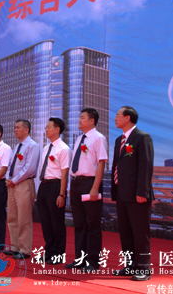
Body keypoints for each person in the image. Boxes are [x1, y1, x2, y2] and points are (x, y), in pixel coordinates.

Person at [111, 106, 154, 281]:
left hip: (137, 195)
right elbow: (117, 166)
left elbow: (146, 166)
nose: (115, 118)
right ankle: (130, 265)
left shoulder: (142, 138)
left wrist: (142, 191)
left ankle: (143, 267)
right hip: (122, 193)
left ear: (127, 118)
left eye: (117, 115)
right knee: (126, 231)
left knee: (140, 231)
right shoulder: (119, 140)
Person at [66, 108, 108, 272]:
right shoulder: (79, 139)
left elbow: (101, 164)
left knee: (92, 225)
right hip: (76, 184)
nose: (79, 120)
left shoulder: (98, 138)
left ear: (92, 120)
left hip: (90, 183)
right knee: (79, 224)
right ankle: (80, 259)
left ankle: (93, 262)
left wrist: (95, 187)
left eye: (82, 118)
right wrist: (71, 187)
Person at [37, 117, 72, 265]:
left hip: (55, 186)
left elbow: (65, 173)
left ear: (57, 130)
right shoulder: (46, 148)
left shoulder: (64, 149)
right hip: (43, 186)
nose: (46, 130)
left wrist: (62, 194)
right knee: (45, 222)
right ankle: (49, 251)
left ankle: (58, 254)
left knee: (56, 222)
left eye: (48, 127)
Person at [4, 120, 40, 259]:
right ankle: (15, 247)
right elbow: (10, 165)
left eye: (18, 127)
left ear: (26, 130)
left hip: (24, 184)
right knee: (12, 217)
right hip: (13, 184)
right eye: (15, 127)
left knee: (24, 218)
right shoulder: (17, 146)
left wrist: (14, 180)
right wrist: (9, 178)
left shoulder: (32, 146)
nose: (15, 130)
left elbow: (29, 168)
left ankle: (24, 250)